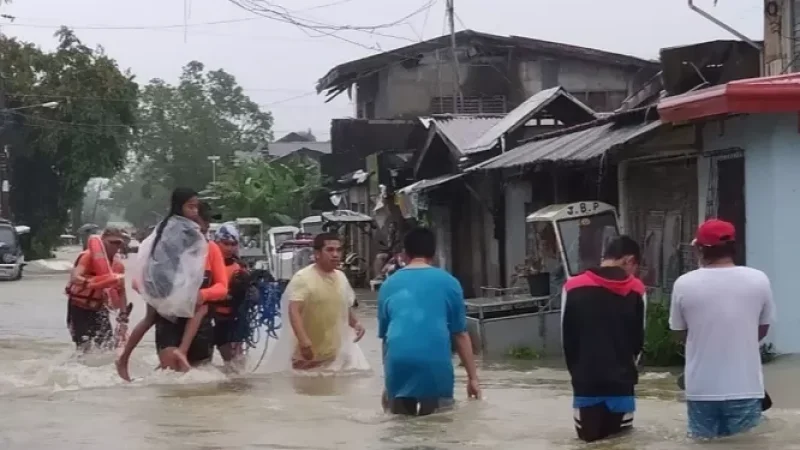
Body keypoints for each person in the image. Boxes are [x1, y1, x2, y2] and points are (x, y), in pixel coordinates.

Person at [669, 219, 776, 439]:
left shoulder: (683, 284)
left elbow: (678, 332)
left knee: (702, 445)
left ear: (700, 249)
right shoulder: (759, 279)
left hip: (701, 390)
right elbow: (762, 329)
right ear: (733, 247)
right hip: (745, 387)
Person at [116, 192, 228, 380]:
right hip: (168, 320)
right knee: (171, 381)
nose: (202, 230)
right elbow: (139, 280)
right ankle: (124, 359)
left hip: (199, 326)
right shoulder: (166, 247)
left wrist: (202, 294)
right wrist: (156, 295)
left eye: (204, 227)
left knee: (200, 384)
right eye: (199, 225)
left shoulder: (212, 249)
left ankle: (181, 351)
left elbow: (223, 287)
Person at [377, 227, 480, 416]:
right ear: (433, 254)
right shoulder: (450, 282)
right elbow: (460, 334)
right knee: (437, 426)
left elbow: (386, 338)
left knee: (400, 429)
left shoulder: (387, 285)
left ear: (405, 254)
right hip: (434, 364)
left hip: (398, 364)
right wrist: (473, 378)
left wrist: (388, 383)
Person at [561, 235, 645, 443]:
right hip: (622, 387)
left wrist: (578, 375)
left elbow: (567, 339)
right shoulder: (637, 289)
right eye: (635, 267)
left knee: (588, 443)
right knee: (621, 444)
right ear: (629, 260)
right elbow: (638, 342)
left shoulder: (571, 287)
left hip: (586, 385)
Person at [284, 232, 366, 370]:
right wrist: (304, 341)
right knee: (305, 387)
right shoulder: (303, 278)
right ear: (317, 253)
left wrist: (356, 323)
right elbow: (293, 311)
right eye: (330, 250)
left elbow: (343, 306)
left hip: (335, 354)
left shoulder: (341, 277)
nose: (335, 254)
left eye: (339, 250)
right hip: (307, 356)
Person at [65, 226, 128, 352]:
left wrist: (123, 316)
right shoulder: (88, 257)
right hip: (79, 308)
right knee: (83, 346)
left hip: (100, 310)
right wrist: (93, 283)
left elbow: (121, 292)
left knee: (108, 346)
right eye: (112, 242)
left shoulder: (118, 266)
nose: (115, 247)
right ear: (103, 241)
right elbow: (75, 277)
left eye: (118, 243)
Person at [211, 222, 251, 370]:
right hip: (215, 318)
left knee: (236, 362)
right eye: (225, 243)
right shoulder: (209, 265)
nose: (229, 248)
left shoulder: (240, 266)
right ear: (217, 243)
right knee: (224, 358)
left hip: (236, 318)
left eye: (233, 244)